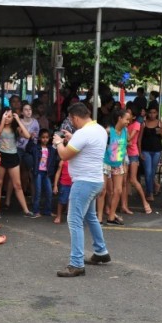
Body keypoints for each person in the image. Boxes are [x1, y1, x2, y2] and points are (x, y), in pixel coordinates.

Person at [53, 103, 111, 278]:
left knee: (74, 220)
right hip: (95, 180)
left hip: (83, 183)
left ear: (75, 117)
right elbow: (85, 147)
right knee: (90, 216)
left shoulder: (83, 133)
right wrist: (72, 138)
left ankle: (76, 263)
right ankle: (101, 252)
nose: (72, 123)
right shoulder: (99, 129)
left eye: (72, 120)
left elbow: (64, 155)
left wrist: (57, 143)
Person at [30, 129, 57, 217]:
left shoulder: (50, 149)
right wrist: (31, 139)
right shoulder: (36, 148)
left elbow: (55, 152)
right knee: (38, 191)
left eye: (47, 137)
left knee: (49, 191)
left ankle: (47, 211)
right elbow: (29, 149)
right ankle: (36, 211)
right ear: (39, 138)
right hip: (38, 171)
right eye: (43, 137)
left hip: (46, 172)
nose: (45, 139)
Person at [53, 158, 72, 224]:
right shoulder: (63, 161)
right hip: (64, 183)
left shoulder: (77, 160)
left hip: (74, 183)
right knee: (62, 201)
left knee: (71, 200)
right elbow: (58, 173)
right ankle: (59, 216)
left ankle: (69, 216)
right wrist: (55, 185)